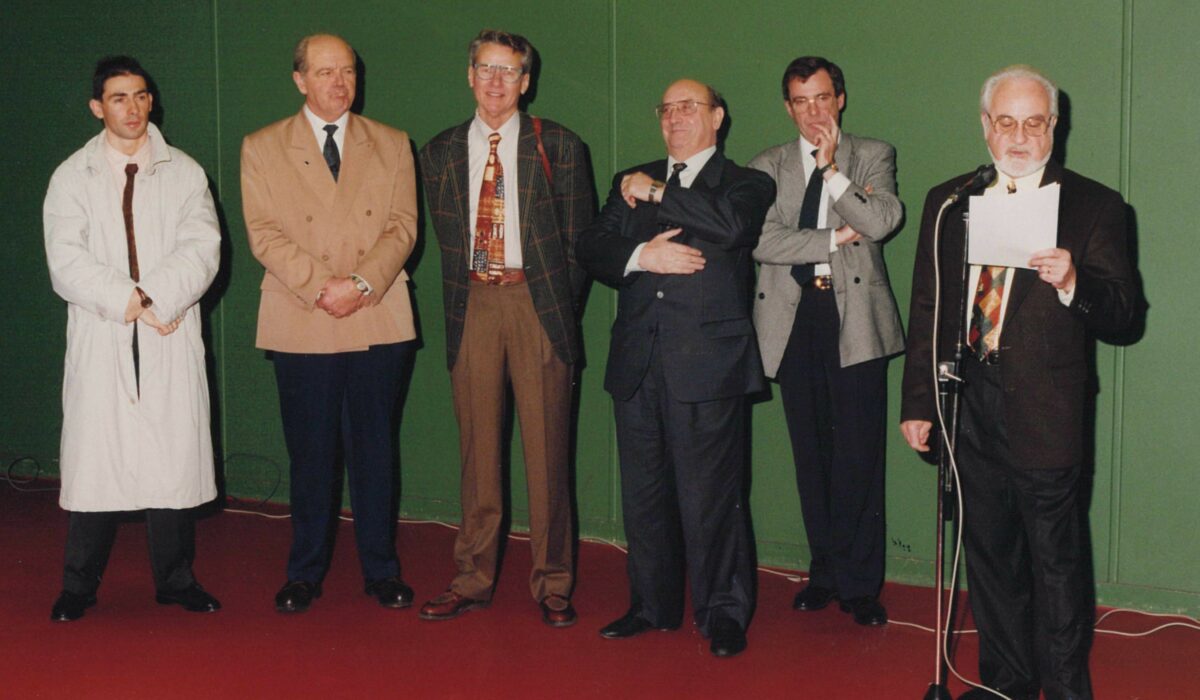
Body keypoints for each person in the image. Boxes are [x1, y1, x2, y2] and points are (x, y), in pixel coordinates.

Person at [900, 65, 1136, 699]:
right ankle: (1007, 685)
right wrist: (919, 401)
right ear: (986, 126)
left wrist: (1074, 283)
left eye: (1034, 123)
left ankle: (1064, 691)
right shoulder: (950, 202)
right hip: (969, 405)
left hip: (1046, 410)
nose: (1020, 137)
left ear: (1054, 127)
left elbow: (1124, 314)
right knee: (990, 559)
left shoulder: (1094, 205)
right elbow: (928, 307)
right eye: (1006, 122)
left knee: (1055, 566)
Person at [576, 79, 774, 657]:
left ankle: (724, 612)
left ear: (718, 116)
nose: (675, 117)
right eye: (666, 109)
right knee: (645, 494)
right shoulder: (629, 179)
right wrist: (644, 255)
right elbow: (592, 246)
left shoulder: (745, 182)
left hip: (709, 366)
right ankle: (652, 605)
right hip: (638, 362)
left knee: (712, 496)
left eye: (689, 107)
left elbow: (731, 226)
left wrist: (658, 191)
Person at [417, 29, 593, 627]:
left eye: (509, 70)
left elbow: (580, 243)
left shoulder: (559, 145)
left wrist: (552, 308)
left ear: (526, 81)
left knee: (547, 455)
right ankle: (472, 578)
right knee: (478, 454)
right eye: (486, 69)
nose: (496, 81)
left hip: (536, 304)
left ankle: (553, 582)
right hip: (472, 304)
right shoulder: (439, 151)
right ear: (470, 76)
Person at [241, 34, 419, 613]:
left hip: (376, 312)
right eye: (324, 72)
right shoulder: (262, 147)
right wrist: (323, 286)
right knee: (311, 453)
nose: (339, 83)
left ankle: (381, 570)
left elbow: (403, 226)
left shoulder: (392, 143)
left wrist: (361, 283)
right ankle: (304, 572)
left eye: (347, 71)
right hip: (302, 313)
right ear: (299, 80)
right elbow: (263, 233)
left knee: (375, 451)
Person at [43, 55, 222, 621]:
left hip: (168, 331)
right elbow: (66, 261)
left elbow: (202, 248)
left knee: (170, 459)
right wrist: (134, 304)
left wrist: (157, 300)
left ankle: (175, 580)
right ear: (98, 107)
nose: (133, 107)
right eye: (119, 97)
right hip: (105, 332)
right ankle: (78, 584)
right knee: (98, 458)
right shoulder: (71, 177)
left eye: (141, 95)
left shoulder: (185, 173)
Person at [749, 56, 904, 626]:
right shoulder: (765, 165)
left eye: (821, 98)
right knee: (810, 454)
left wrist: (832, 170)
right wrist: (835, 237)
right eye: (801, 101)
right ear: (787, 108)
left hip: (855, 318)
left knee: (859, 454)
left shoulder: (873, 154)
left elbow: (882, 221)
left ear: (839, 99)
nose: (813, 111)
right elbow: (761, 241)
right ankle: (825, 574)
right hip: (794, 320)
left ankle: (860, 585)